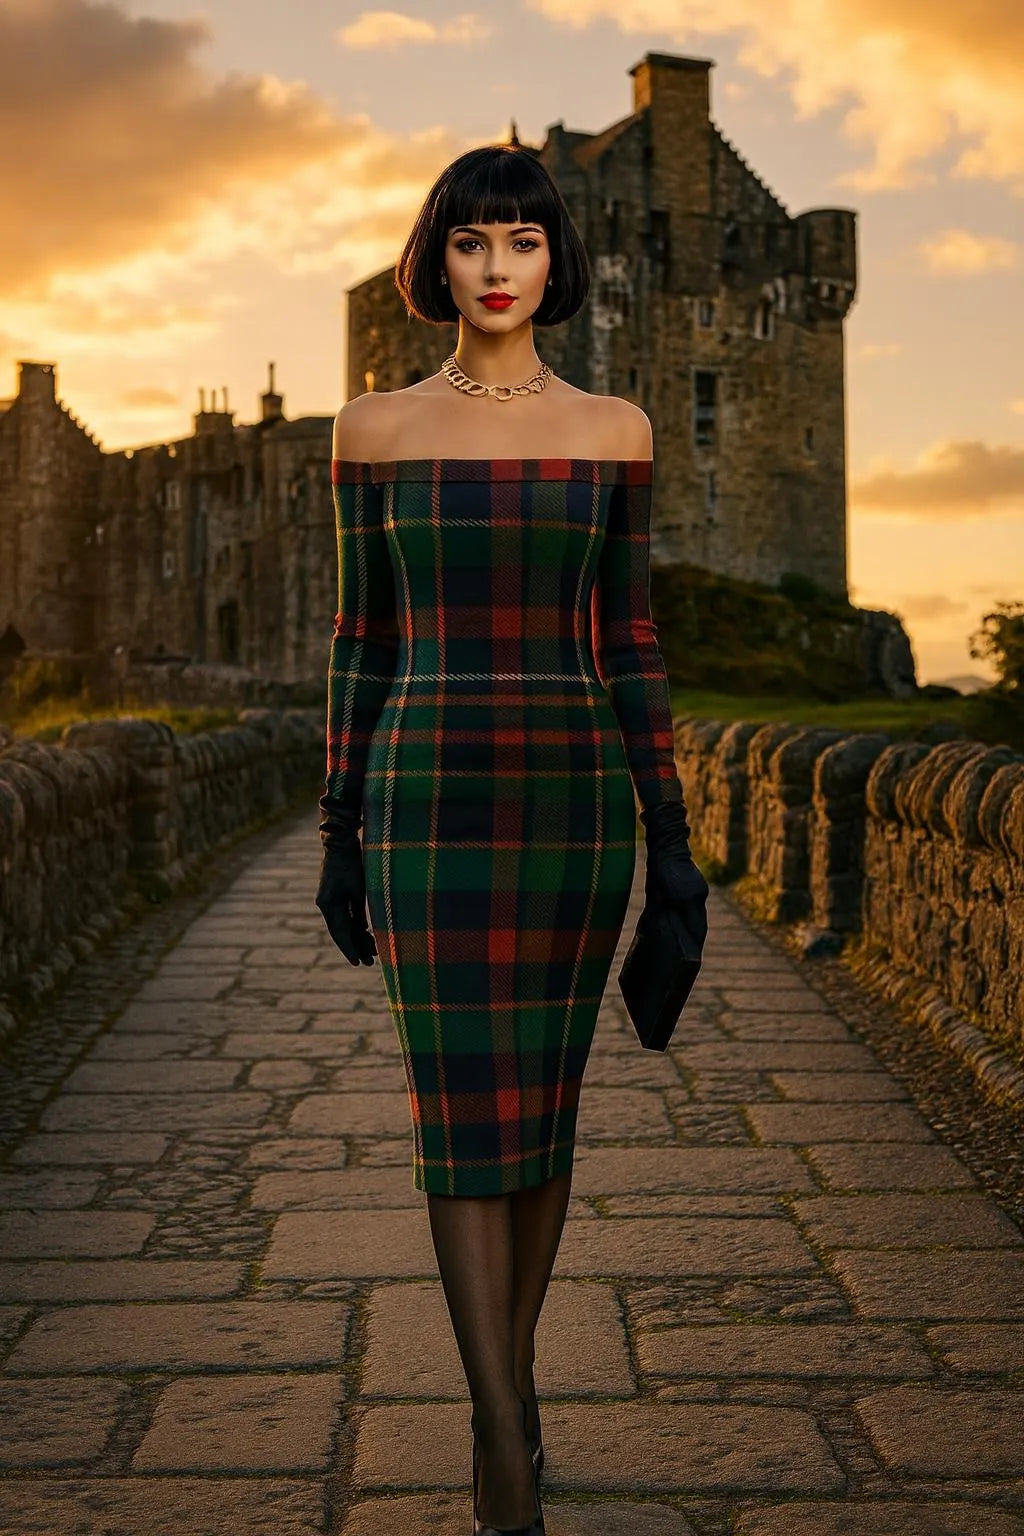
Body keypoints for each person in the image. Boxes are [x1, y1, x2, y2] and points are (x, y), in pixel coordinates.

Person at [315, 143, 709, 1536]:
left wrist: (672, 841)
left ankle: (516, 1389)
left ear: (556, 262)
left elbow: (629, 639)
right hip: (426, 798)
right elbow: (362, 637)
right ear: (440, 259)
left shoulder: (615, 428)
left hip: (574, 805)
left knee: (541, 1116)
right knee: (456, 1117)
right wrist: (339, 827)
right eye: (472, 242)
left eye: (522, 244)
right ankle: (497, 1430)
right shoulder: (372, 429)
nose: (496, 269)